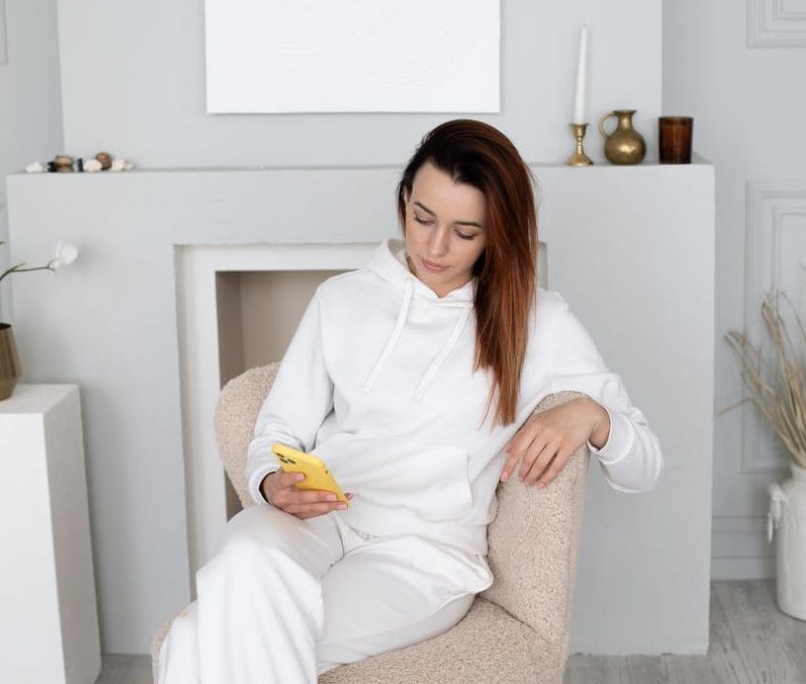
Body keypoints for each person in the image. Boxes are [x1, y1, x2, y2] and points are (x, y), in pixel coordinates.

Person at [157, 119, 662, 683]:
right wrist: (269, 481)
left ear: (497, 233)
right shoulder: (341, 299)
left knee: (197, 638)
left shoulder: (540, 324)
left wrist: (593, 416)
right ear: (404, 203)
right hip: (323, 518)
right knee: (245, 547)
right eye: (423, 218)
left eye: (465, 231)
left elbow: (645, 466)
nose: (435, 246)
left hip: (423, 557)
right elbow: (277, 428)